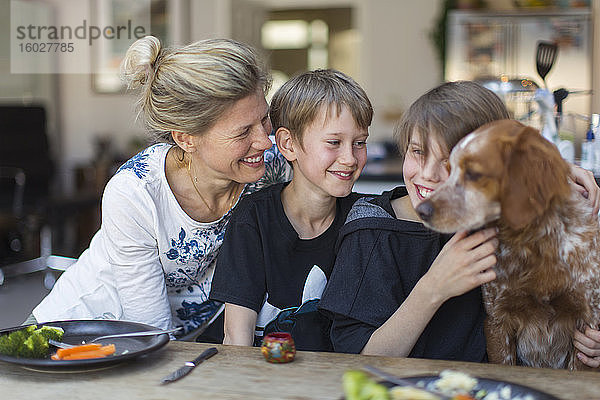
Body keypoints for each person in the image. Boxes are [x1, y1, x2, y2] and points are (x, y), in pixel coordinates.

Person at [30, 36, 291, 342]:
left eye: (264, 119)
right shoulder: (136, 194)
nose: (263, 140)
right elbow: (152, 330)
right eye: (243, 132)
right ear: (186, 138)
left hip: (176, 341)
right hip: (83, 330)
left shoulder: (268, 165)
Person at [318, 80, 600, 364]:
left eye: (451, 161)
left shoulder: (497, 218)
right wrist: (434, 287)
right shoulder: (372, 230)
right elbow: (357, 361)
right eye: (418, 151)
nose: (427, 174)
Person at [209, 69, 372, 351]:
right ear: (288, 144)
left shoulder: (364, 220)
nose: (349, 158)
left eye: (359, 143)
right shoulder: (254, 219)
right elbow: (236, 339)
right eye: (334, 142)